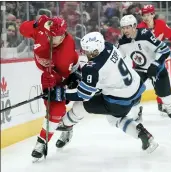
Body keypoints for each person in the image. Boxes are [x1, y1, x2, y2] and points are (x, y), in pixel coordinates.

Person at [46, 32, 159, 153]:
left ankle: (66, 125)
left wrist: (61, 94)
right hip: (135, 88)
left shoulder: (92, 68)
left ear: (93, 51)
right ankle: (144, 134)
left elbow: (83, 95)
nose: (85, 53)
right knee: (113, 117)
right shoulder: (108, 46)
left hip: (119, 100)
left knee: (85, 108)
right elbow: (105, 75)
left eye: (86, 51)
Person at [19, 15, 79, 160]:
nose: (53, 40)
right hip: (47, 74)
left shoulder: (66, 51)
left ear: (64, 33)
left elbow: (64, 76)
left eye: (57, 37)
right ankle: (67, 126)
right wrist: (35, 24)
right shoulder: (43, 29)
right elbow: (22, 29)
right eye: (50, 35)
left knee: (56, 108)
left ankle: (41, 142)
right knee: (51, 108)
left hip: (64, 75)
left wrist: (55, 85)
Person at [117, 14, 171, 119]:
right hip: (139, 69)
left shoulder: (145, 34)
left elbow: (165, 50)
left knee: (164, 94)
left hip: (157, 68)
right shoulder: (122, 42)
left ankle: (168, 105)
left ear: (134, 26)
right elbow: (117, 59)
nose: (125, 30)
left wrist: (156, 64)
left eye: (128, 27)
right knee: (133, 91)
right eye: (123, 28)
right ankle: (137, 112)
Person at [137, 4, 171, 114]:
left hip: (156, 61)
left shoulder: (161, 24)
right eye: (143, 15)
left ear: (153, 14)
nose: (145, 17)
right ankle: (136, 109)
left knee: (161, 83)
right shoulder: (140, 28)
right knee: (136, 86)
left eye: (148, 14)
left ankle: (161, 104)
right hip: (141, 63)